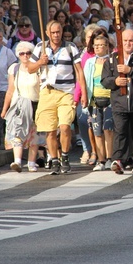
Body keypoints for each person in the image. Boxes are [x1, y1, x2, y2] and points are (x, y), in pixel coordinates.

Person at [28, 20, 88, 174]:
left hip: (66, 92)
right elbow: (29, 68)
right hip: (47, 92)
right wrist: (40, 62)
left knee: (65, 126)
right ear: (47, 33)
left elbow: (79, 71)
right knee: (50, 130)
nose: (56, 35)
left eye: (58, 32)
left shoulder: (70, 47)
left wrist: (84, 93)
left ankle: (65, 156)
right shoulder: (40, 47)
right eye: (53, 32)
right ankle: (54, 159)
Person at [101, 29, 133, 174]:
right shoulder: (112, 58)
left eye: (131, 40)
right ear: (120, 42)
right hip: (119, 102)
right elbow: (105, 80)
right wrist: (115, 81)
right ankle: (118, 160)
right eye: (125, 41)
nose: (128, 43)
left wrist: (129, 70)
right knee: (120, 131)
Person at [1, 41, 42, 173]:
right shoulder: (14, 68)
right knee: (17, 132)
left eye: (28, 53)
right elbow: (10, 90)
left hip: (35, 102)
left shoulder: (38, 69)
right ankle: (17, 161)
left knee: (34, 135)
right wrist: (4, 109)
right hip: (19, 104)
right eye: (22, 53)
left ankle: (31, 162)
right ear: (18, 55)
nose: (25, 56)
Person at [82, 33, 115, 171]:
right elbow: (84, 80)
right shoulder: (90, 62)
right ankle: (101, 160)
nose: (98, 48)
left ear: (107, 46)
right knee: (97, 131)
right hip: (94, 100)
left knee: (108, 129)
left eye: (101, 45)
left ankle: (110, 158)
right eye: (96, 45)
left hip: (110, 99)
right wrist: (84, 97)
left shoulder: (113, 60)